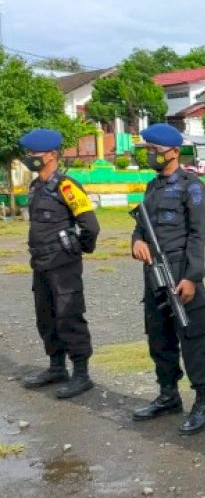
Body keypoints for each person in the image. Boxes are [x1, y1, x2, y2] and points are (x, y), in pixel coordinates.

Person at [130, 123, 205, 436]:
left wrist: (193, 277)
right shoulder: (152, 187)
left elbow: (197, 235)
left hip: (181, 274)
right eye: (148, 150)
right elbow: (141, 224)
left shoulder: (192, 187)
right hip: (153, 275)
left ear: (173, 152)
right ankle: (168, 395)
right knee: (159, 338)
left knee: (193, 341)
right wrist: (136, 241)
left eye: (155, 151)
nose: (150, 155)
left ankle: (204, 404)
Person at [19, 128, 100, 399]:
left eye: (34, 154)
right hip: (40, 263)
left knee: (69, 315)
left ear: (52, 155)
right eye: (28, 153)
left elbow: (90, 226)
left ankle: (81, 373)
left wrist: (77, 250)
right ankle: (56, 367)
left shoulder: (67, 187)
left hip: (63, 264)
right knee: (46, 316)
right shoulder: (36, 187)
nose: (29, 158)